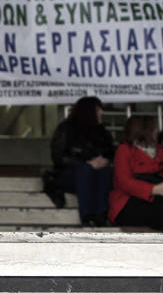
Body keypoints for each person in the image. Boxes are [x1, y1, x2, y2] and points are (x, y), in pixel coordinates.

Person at [108, 116, 163, 232]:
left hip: (159, 196)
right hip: (129, 202)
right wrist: (155, 189)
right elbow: (124, 182)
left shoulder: (158, 150)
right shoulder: (125, 149)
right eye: (153, 128)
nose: (157, 131)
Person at [47, 96, 114, 226]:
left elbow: (111, 152)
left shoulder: (102, 132)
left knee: (106, 171)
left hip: (97, 175)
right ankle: (87, 216)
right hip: (70, 175)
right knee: (85, 170)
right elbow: (58, 157)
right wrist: (86, 163)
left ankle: (101, 215)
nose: (102, 112)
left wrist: (105, 160)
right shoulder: (66, 128)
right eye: (99, 109)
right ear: (89, 111)